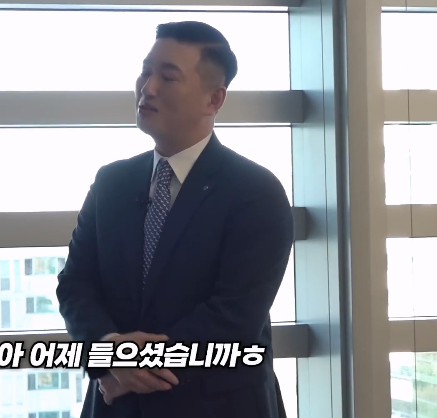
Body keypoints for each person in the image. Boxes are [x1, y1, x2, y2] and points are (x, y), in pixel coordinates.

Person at [56, 21, 294, 418]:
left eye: (167, 77)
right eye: (145, 72)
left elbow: (233, 317)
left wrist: (130, 364)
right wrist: (107, 353)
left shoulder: (255, 191)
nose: (147, 88)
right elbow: (76, 284)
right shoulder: (112, 182)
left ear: (214, 99)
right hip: (117, 405)